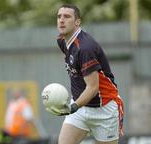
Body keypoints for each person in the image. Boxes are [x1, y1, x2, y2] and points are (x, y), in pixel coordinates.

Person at [53, 4, 124, 144]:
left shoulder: (85, 48)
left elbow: (92, 88)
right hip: (81, 107)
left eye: (67, 17)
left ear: (77, 22)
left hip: (104, 108)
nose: (61, 20)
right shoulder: (62, 40)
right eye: (59, 16)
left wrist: (72, 107)